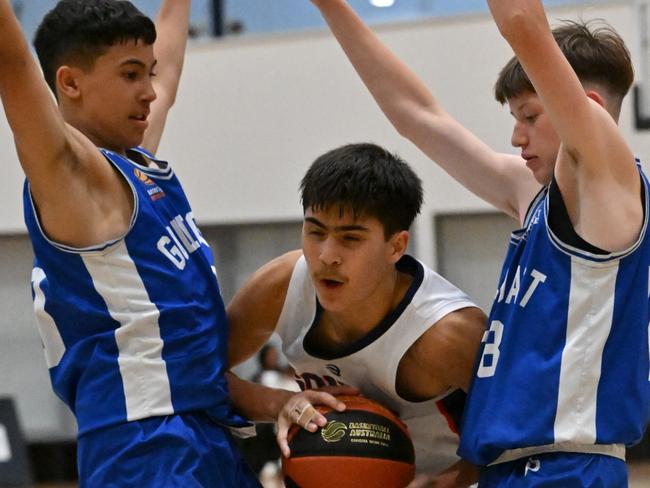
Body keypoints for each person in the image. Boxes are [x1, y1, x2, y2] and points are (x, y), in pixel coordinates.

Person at [310, 0, 650, 485]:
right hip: (508, 466)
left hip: (567, 469)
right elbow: (418, 116)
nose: (516, 136)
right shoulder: (534, 194)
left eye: (530, 116)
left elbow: (521, 24)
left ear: (586, 112)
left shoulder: (610, 190)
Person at [0, 0, 259, 485]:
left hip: (205, 428)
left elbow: (172, 70)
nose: (149, 93)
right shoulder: (71, 177)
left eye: (149, 73)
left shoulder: (134, 169)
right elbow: (13, 68)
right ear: (70, 83)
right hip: (144, 442)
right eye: (130, 75)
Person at [226, 143, 487, 487]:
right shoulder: (280, 286)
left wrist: (446, 484)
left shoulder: (447, 332)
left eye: (350, 238)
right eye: (315, 232)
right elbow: (193, 372)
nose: (327, 256)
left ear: (396, 246)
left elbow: (529, 431)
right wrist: (281, 403)